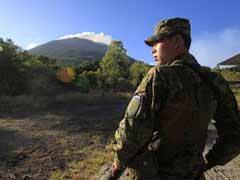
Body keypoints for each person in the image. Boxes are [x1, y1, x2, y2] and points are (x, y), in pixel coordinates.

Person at [110, 17, 240, 180]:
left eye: (157, 42)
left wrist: (117, 164)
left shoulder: (160, 75)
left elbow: (132, 130)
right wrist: (208, 162)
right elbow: (235, 135)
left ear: (177, 41)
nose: (153, 50)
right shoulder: (214, 81)